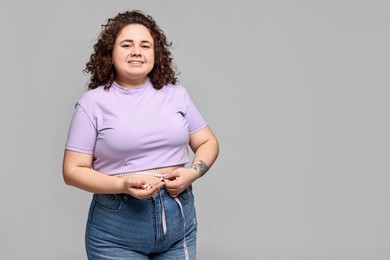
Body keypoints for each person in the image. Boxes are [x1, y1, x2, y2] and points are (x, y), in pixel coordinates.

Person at [62, 10, 219, 260]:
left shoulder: (176, 94)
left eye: (145, 45)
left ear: (156, 54)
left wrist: (193, 172)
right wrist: (121, 184)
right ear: (110, 54)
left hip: (178, 222)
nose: (137, 51)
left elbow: (208, 142)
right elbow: (72, 171)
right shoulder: (92, 103)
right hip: (117, 229)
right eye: (127, 45)